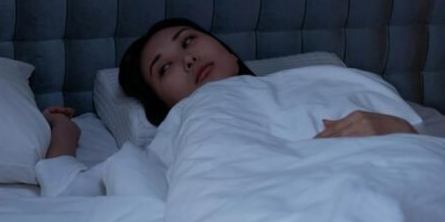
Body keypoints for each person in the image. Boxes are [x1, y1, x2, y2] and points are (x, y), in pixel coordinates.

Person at [43, 17, 416, 163]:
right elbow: (74, 191)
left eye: (188, 41)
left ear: (228, 52)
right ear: (162, 104)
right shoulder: (179, 137)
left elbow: (425, 155)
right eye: (165, 68)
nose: (188, 59)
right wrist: (65, 131)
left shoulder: (324, 81)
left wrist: (399, 129)